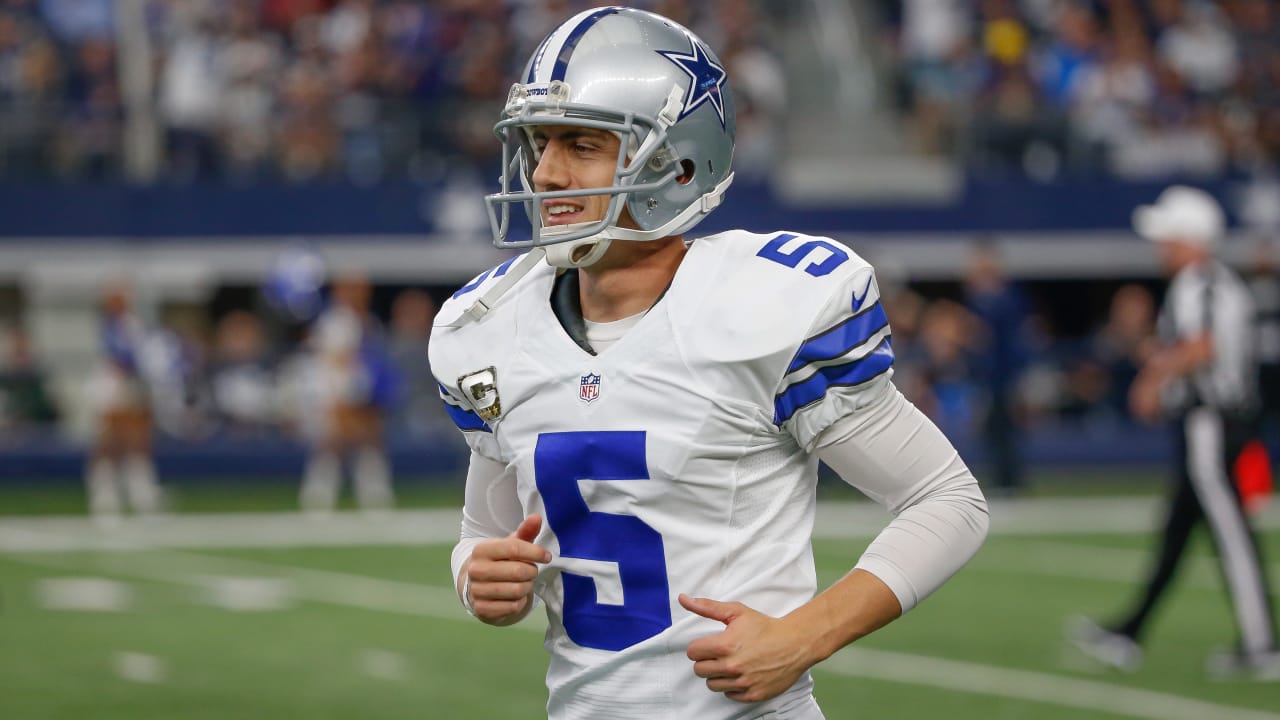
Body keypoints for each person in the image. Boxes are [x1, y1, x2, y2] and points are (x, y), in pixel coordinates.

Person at [429, 8, 989, 719]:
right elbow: (486, 534)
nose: (543, 172)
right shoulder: (487, 329)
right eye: (538, 142)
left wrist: (803, 636)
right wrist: (475, 578)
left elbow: (947, 501)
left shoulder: (765, 306)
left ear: (678, 161)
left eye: (581, 143)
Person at [1070, 185, 1280, 680]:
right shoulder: (1206, 283)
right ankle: (1130, 631)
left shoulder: (1202, 282)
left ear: (1190, 238)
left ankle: (1263, 644)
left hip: (1212, 422)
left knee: (1231, 533)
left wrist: (1152, 378)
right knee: (1177, 533)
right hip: (1205, 422)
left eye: (1168, 237)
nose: (1161, 247)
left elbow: (1201, 347)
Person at [298, 274, 401, 514]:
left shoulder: (366, 319)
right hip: (338, 391)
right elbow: (333, 359)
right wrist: (336, 397)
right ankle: (318, 500)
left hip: (361, 391)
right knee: (334, 444)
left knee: (366, 443)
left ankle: (373, 497)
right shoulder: (336, 320)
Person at [83, 282, 163, 520]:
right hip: (112, 380)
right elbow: (119, 355)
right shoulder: (109, 325)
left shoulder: (132, 324)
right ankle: (104, 494)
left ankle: (140, 492)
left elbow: (142, 356)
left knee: (138, 440)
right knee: (109, 440)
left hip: (132, 381)